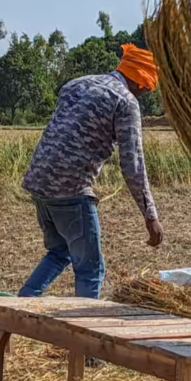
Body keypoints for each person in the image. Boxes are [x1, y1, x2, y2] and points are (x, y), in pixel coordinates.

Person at [19, 43, 164, 300]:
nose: (143, 94)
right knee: (91, 269)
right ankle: (84, 333)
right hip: (71, 190)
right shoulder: (125, 102)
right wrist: (150, 215)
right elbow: (133, 163)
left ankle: (18, 307)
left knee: (60, 252)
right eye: (145, 90)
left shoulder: (76, 84)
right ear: (142, 82)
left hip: (38, 180)